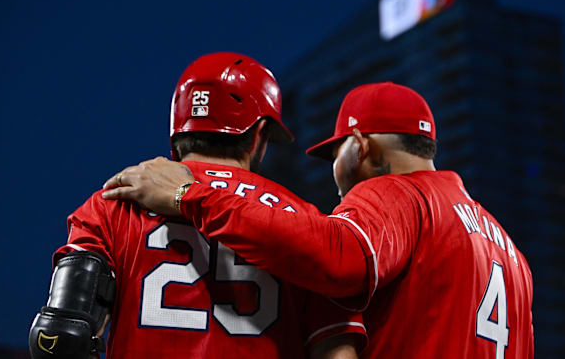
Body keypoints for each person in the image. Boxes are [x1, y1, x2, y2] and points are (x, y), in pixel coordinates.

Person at [103, 82, 535, 358]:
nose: (334, 169)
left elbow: (336, 258)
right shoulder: (511, 254)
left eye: (335, 153)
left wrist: (189, 195)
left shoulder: (397, 193)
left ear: (360, 146)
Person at [29, 53, 366, 359]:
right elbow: (336, 352)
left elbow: (60, 336)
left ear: (178, 128)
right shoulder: (306, 221)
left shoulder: (113, 201)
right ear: (259, 133)